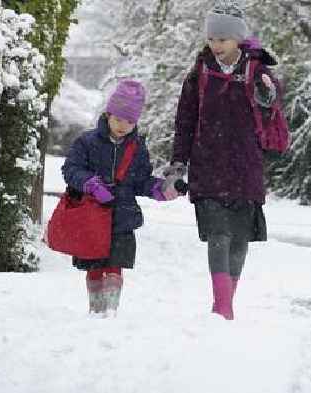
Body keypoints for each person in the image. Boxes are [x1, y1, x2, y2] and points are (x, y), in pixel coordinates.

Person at [166, 0, 283, 320]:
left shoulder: (258, 71)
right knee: (218, 234)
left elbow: (272, 108)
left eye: (223, 39)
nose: (216, 45)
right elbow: (185, 121)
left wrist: (267, 95)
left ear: (239, 39)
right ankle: (223, 307)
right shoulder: (199, 72)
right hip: (208, 166)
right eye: (212, 39)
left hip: (245, 168)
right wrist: (179, 163)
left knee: (239, 238)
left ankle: (226, 299)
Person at [62, 80, 178, 317]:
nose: (123, 125)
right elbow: (70, 169)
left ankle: (111, 310)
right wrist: (91, 184)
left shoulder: (137, 148)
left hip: (122, 214)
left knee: (116, 263)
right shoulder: (87, 142)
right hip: (92, 214)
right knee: (94, 264)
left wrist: (159, 189)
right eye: (118, 119)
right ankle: (96, 309)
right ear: (108, 114)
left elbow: (141, 180)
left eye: (129, 121)